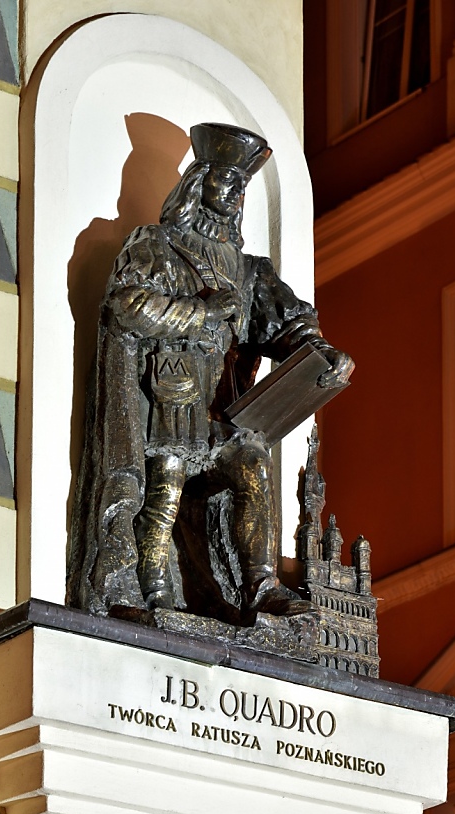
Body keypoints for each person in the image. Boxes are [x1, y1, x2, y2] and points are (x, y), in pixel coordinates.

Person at [67, 122, 354, 622]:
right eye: (227, 182)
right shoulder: (155, 245)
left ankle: (261, 587)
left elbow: (288, 321)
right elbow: (125, 305)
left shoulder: (248, 271)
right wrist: (199, 313)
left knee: (253, 463)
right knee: (161, 501)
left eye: (243, 187)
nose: (237, 195)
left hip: (222, 418)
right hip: (167, 408)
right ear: (199, 182)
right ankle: (152, 594)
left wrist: (321, 352)